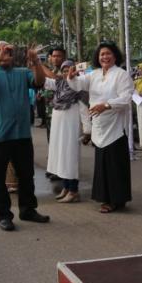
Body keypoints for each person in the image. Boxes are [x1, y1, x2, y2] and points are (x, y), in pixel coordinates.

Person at [0, 41, 48, 231]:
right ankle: (3, 215)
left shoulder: (22, 72)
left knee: (26, 175)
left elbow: (40, 82)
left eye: (8, 50)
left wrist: (36, 62)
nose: (5, 53)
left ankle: (28, 210)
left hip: (22, 134)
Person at [67, 41, 133, 213]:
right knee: (102, 164)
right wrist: (72, 76)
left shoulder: (121, 74)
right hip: (99, 126)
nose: (105, 57)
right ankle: (106, 198)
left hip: (115, 126)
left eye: (108, 53)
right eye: (102, 54)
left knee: (115, 165)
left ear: (115, 56)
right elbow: (78, 84)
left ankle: (117, 200)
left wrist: (106, 105)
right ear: (98, 57)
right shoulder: (94, 74)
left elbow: (126, 98)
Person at [45, 60, 84, 203]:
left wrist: (87, 130)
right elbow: (44, 79)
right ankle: (66, 188)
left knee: (70, 157)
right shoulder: (59, 85)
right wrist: (36, 62)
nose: (67, 73)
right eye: (64, 70)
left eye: (69, 70)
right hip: (58, 128)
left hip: (71, 127)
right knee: (61, 157)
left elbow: (84, 108)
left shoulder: (78, 87)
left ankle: (74, 191)